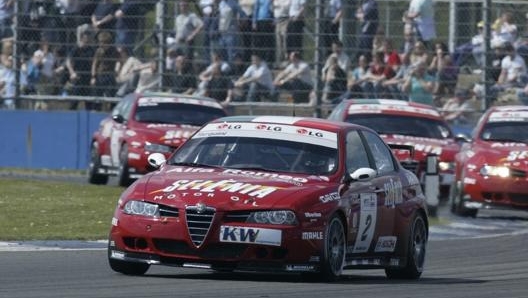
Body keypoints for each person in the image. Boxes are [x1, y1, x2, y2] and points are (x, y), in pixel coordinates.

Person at [65, 31, 95, 109]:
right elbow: (68, 61)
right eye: (85, 39)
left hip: (87, 79)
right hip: (78, 78)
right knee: (73, 103)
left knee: (89, 103)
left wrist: (93, 76)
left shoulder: (91, 50)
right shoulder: (76, 49)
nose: (87, 41)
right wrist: (72, 72)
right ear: (81, 39)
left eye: (88, 39)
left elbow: (94, 63)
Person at [273, 0, 290, 67]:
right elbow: (273, 7)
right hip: (277, 20)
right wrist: (279, 5)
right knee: (278, 41)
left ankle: (286, 59)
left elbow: (286, 7)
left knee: (285, 40)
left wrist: (278, 5)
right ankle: (279, 60)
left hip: (285, 19)